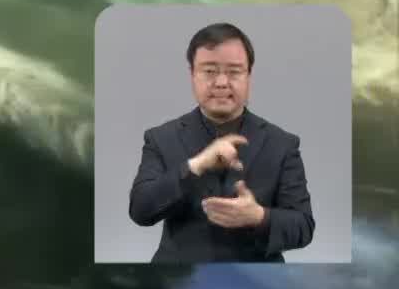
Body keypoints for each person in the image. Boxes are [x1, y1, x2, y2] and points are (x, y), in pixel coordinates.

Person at [126, 22, 315, 262]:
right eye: (209, 71)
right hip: (179, 281)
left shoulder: (282, 144)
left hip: (258, 284)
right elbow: (141, 211)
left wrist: (258, 216)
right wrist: (195, 166)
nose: (222, 83)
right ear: (192, 74)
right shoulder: (160, 138)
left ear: (249, 76)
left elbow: (304, 227)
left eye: (234, 71)